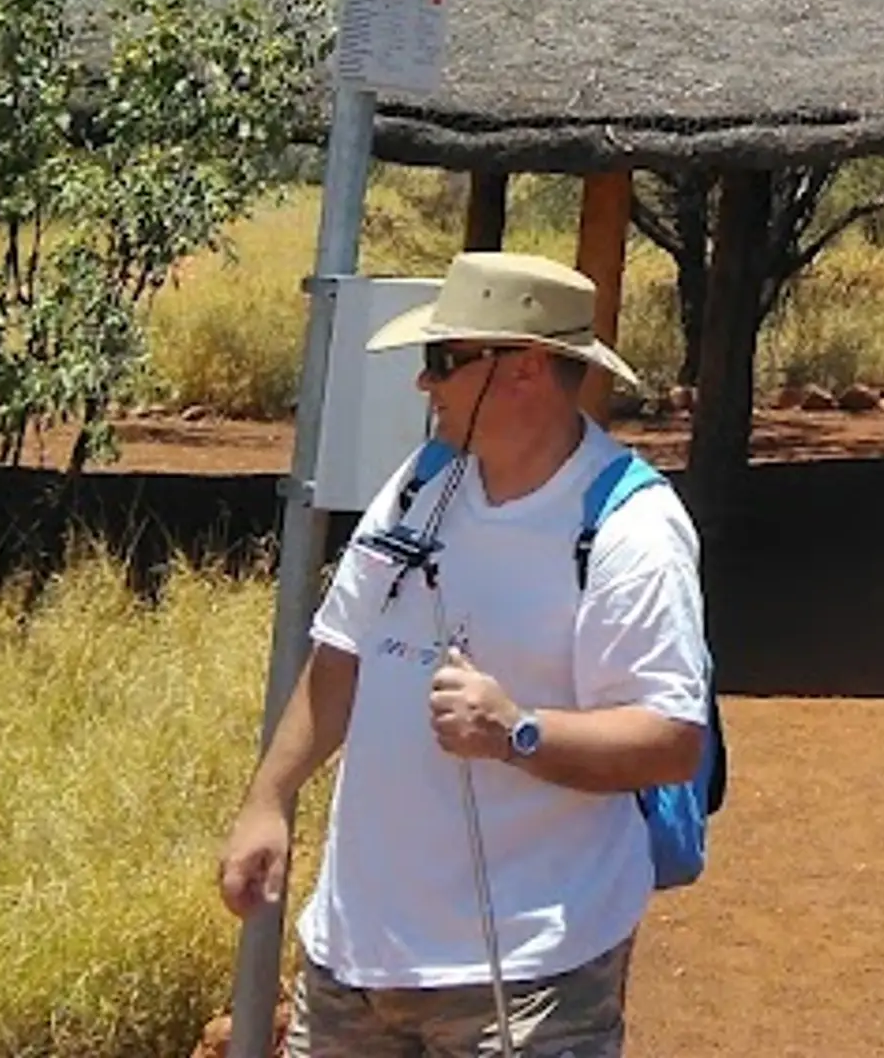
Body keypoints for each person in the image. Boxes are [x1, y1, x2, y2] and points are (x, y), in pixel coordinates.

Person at [218, 252, 711, 1058]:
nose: (425, 385)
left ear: (521, 370)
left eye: (442, 362)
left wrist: (516, 730)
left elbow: (671, 739)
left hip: (526, 978)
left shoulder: (629, 529)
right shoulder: (423, 479)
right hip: (354, 959)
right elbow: (342, 656)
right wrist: (268, 798)